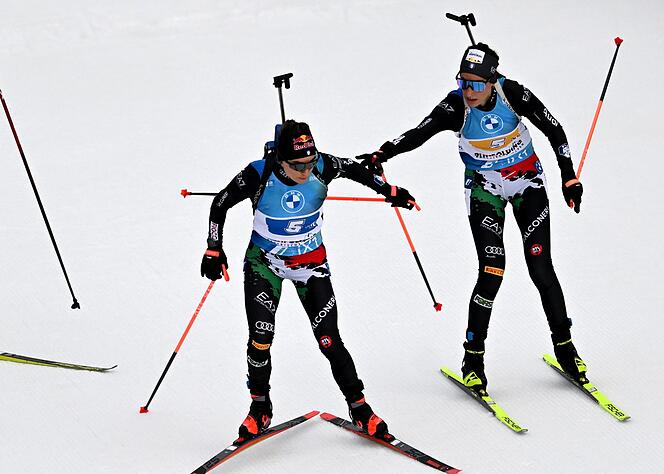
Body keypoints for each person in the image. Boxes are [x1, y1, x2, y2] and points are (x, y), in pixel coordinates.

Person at [359, 43, 588, 394]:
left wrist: (568, 176)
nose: (469, 91)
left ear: (493, 81)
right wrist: (383, 153)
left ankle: (566, 348)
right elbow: (419, 133)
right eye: (463, 82)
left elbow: (554, 130)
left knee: (541, 267)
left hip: (527, 183)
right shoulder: (455, 106)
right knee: (492, 270)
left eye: (476, 84)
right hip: (484, 191)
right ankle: (473, 359)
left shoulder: (513, 94)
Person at [201, 120, 415, 443]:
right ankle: (260, 408)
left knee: (329, 339)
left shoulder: (322, 165)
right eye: (297, 165)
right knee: (261, 338)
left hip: (311, 266)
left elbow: (356, 170)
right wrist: (213, 248)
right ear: (280, 160)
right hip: (265, 265)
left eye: (309, 162)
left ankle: (360, 408)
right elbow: (220, 204)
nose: (305, 170)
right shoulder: (258, 173)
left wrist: (389, 191)